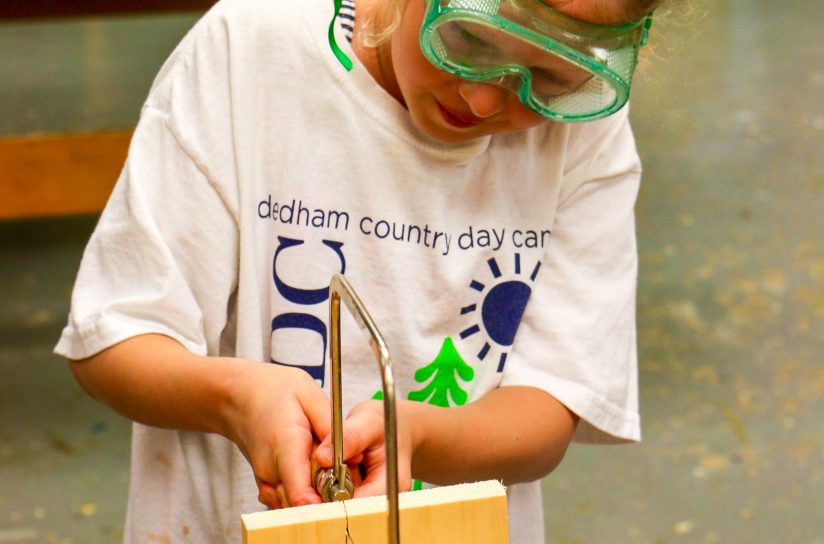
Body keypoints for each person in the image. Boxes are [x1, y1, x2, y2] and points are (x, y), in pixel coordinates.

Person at [56, 0, 659, 541]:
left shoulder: (585, 130)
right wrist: (238, 400)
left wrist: (420, 438)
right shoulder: (249, 52)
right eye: (469, 42)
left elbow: (548, 410)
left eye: (549, 78)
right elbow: (114, 339)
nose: (484, 99)